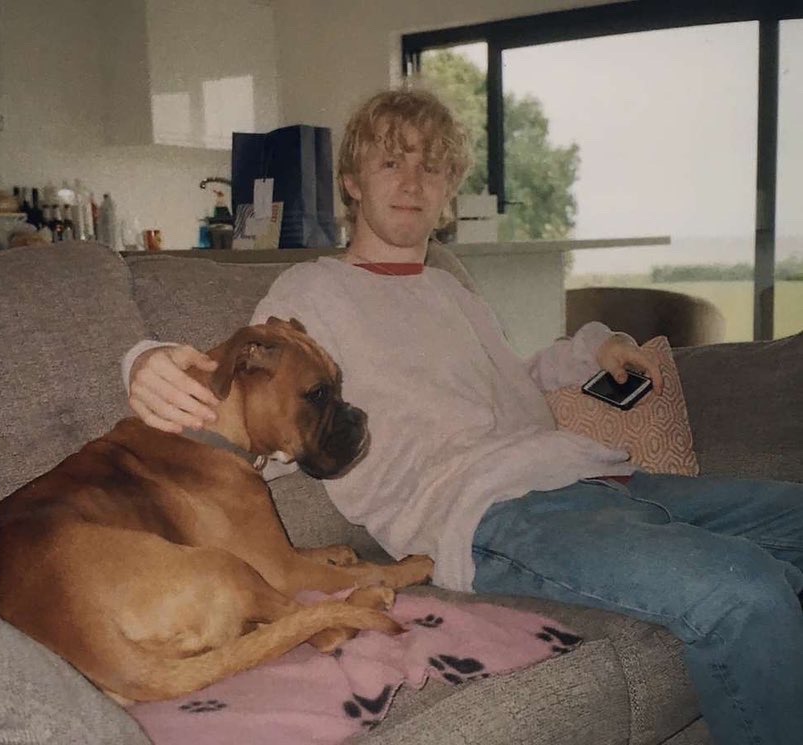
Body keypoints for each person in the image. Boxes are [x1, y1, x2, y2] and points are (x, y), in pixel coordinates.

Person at [122, 88, 803, 745]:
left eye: (431, 166)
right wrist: (143, 362)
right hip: (492, 513)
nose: (412, 180)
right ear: (352, 182)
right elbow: (245, 411)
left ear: (449, 190)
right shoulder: (312, 292)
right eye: (391, 161)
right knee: (743, 592)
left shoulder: (450, 290)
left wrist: (592, 349)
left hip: (593, 479)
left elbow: (505, 384)